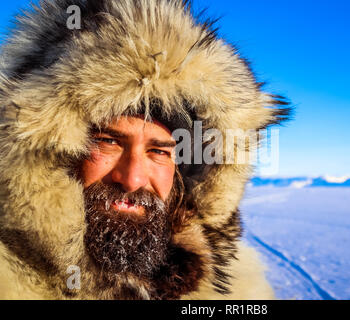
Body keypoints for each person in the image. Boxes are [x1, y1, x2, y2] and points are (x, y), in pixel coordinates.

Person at [0, 0, 290, 299]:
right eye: (109, 142)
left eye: (159, 152)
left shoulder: (234, 292)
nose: (133, 178)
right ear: (53, 154)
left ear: (185, 173)